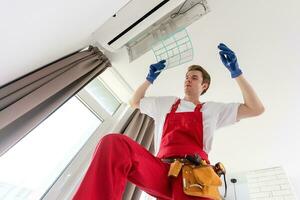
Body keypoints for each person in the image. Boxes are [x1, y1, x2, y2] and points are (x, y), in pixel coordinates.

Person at [73, 43, 264, 200]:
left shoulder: (212, 109)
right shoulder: (167, 104)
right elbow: (135, 102)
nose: (188, 80)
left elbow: (256, 109)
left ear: (204, 85)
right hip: (162, 171)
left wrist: (236, 73)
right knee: (114, 143)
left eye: (194, 78)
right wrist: (149, 79)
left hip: (194, 176)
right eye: (187, 77)